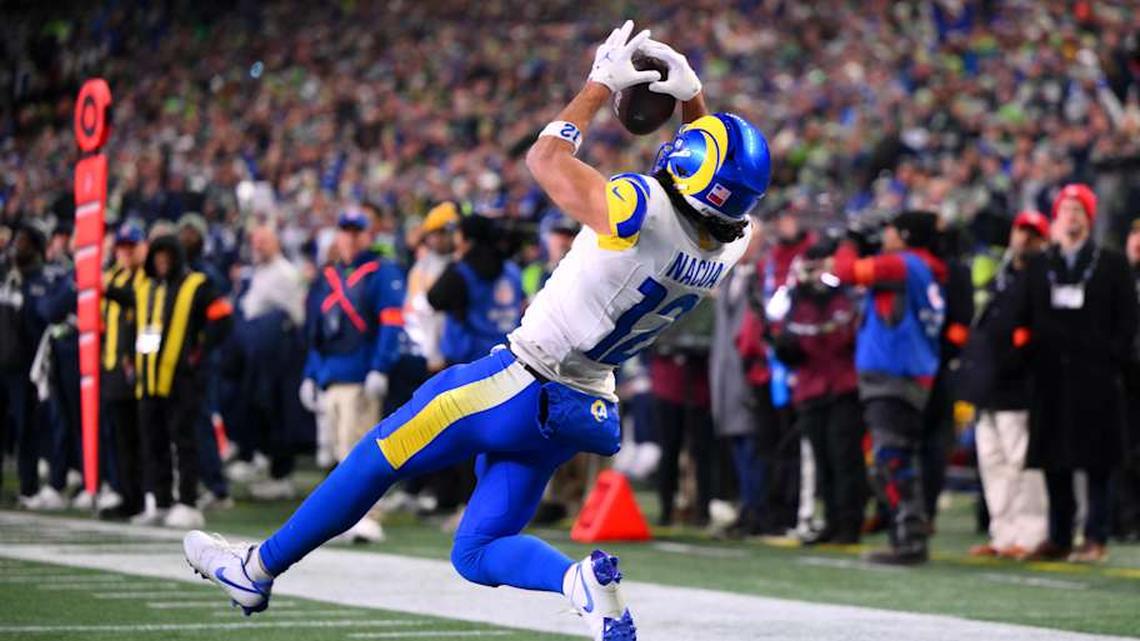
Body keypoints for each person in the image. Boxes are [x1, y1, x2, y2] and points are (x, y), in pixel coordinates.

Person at [184, 22, 769, 641]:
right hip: (584, 402)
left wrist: (599, 84)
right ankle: (578, 583)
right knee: (478, 549)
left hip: (523, 379)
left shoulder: (642, 208)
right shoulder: (731, 241)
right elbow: (713, 188)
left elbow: (546, 160)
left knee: (378, 454)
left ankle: (257, 568)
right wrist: (693, 100)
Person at [1014, 185, 1138, 563]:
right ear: (1056, 216)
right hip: (1050, 376)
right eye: (1066, 209)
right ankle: (1059, 535)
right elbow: (1024, 316)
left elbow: (1128, 320)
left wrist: (1111, 359)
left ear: (1089, 217)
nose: (1071, 216)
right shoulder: (1040, 264)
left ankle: (1095, 535)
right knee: (1054, 458)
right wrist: (1029, 357)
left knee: (1098, 461)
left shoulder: (1111, 264)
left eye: (1078, 209)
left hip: (1096, 376)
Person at [831, 210, 948, 565]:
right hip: (910, 374)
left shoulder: (900, 265)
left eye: (893, 231)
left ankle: (909, 541)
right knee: (895, 457)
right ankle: (907, 536)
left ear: (906, 235)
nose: (886, 236)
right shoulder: (926, 268)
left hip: (893, 375)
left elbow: (845, 272)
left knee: (892, 459)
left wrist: (850, 241)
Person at [108, 234, 234, 528]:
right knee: (153, 441)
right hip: (149, 379)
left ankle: (188, 500)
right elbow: (128, 307)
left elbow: (223, 317)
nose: (162, 262)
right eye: (158, 257)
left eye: (167, 257)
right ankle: (161, 500)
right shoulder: (146, 287)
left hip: (182, 379)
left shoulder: (196, 285)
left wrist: (199, 351)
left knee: (185, 440)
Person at [299, 207, 406, 543]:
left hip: (359, 374)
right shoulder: (328, 276)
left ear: (368, 235)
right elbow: (316, 331)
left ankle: (368, 516)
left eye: (357, 231)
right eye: (345, 231)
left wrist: (380, 367)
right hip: (331, 373)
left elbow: (391, 323)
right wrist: (311, 374)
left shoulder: (380, 272)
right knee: (338, 453)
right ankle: (344, 518)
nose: (350, 238)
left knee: (359, 451)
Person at [959, 211, 1050, 558]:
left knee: (1021, 461)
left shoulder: (1041, 277)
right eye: (1020, 231)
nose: (1024, 239)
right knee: (992, 462)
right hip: (988, 384)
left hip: (1018, 385)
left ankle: (1030, 535)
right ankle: (1003, 534)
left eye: (1032, 234)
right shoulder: (1001, 275)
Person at [773, 241, 864, 545]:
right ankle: (833, 520)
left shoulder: (846, 296)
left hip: (842, 385)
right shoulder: (796, 299)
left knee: (844, 457)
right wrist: (782, 345)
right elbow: (791, 346)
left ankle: (849, 522)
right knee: (823, 460)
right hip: (810, 387)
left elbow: (850, 338)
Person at [239, 225, 307, 501]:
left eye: (264, 241)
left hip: (280, 352)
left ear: (276, 243)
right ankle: (268, 465)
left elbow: (296, 316)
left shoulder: (285, 272)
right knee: (262, 408)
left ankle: (282, 474)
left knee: (279, 408)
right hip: (261, 349)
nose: (258, 246)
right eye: (255, 241)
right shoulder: (260, 271)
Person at [710, 227, 768, 537]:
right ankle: (747, 506)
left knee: (753, 445)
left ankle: (755, 508)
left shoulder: (762, 278)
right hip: (726, 374)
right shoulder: (730, 277)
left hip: (750, 374)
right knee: (738, 444)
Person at [97, 224, 148, 520]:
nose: (126, 252)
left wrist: (105, 289)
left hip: (142, 369)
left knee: (141, 436)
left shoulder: (147, 278)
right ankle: (127, 495)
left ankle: (146, 496)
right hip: (112, 366)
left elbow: (136, 300)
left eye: (132, 246)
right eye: (122, 246)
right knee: (120, 436)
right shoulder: (112, 276)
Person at [430, 213, 524, 366]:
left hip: (468, 359)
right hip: (505, 357)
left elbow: (435, 299)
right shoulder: (512, 271)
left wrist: (454, 262)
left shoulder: (462, 272)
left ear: (468, 240)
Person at [0, 222, 50, 506]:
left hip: (24, 368)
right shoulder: (5, 274)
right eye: (17, 240)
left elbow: (39, 322)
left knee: (25, 429)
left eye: (24, 242)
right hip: (2, 363)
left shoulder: (40, 280)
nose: (17, 245)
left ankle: (28, 487)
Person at [404, 202, 460, 374]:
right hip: (429, 353)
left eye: (443, 232)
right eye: (434, 233)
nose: (438, 238)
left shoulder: (464, 264)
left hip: (460, 352)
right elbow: (412, 312)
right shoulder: (421, 268)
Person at [1114, 220, 1140, 541]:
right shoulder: (1115, 277)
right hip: (1122, 375)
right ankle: (1123, 519)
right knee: (1122, 450)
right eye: (1134, 234)